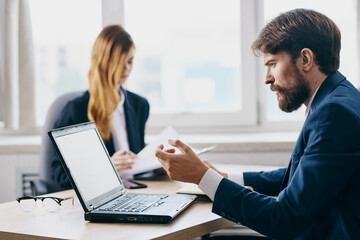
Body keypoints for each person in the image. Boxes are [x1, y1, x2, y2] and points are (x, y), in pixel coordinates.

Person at [155, 8, 360, 239]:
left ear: (305, 59)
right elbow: (304, 172)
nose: (267, 78)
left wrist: (201, 176)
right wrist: (224, 177)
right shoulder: (342, 97)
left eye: (272, 64)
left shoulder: (334, 114)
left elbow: (283, 219)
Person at [52, 25, 149, 189]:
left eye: (130, 61)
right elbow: (60, 175)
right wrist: (106, 166)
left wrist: (157, 165)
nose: (127, 68)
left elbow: (134, 161)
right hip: (102, 195)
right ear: (104, 62)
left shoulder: (139, 105)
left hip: (137, 191)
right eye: (120, 62)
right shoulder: (76, 110)